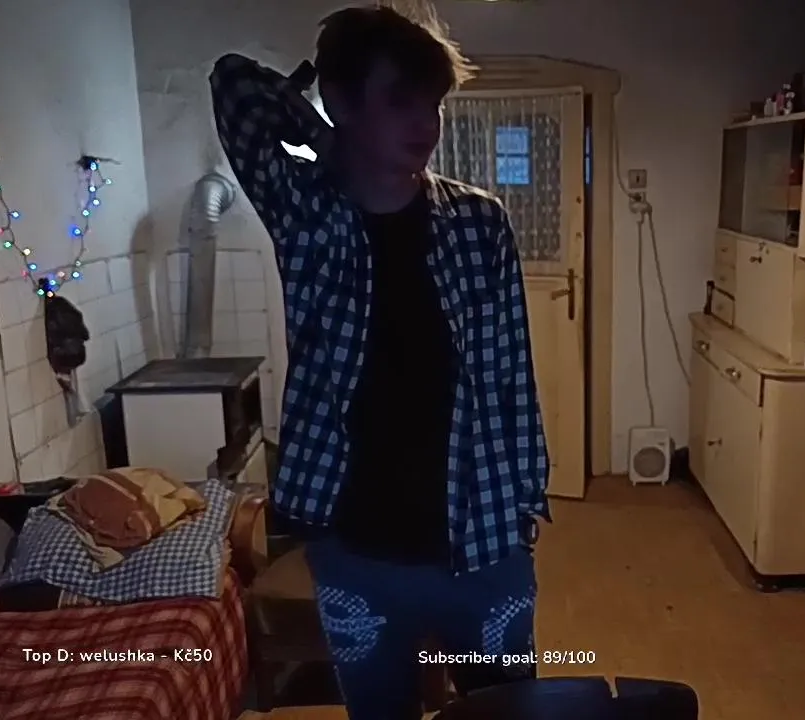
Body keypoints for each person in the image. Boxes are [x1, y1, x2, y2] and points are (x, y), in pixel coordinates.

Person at [208, 5, 550, 719]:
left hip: (483, 541)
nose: (426, 122)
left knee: (507, 711)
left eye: (433, 103)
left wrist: (523, 510)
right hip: (355, 550)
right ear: (340, 101)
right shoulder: (308, 215)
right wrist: (328, 142)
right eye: (400, 100)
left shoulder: (479, 223)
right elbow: (234, 85)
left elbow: (511, 378)